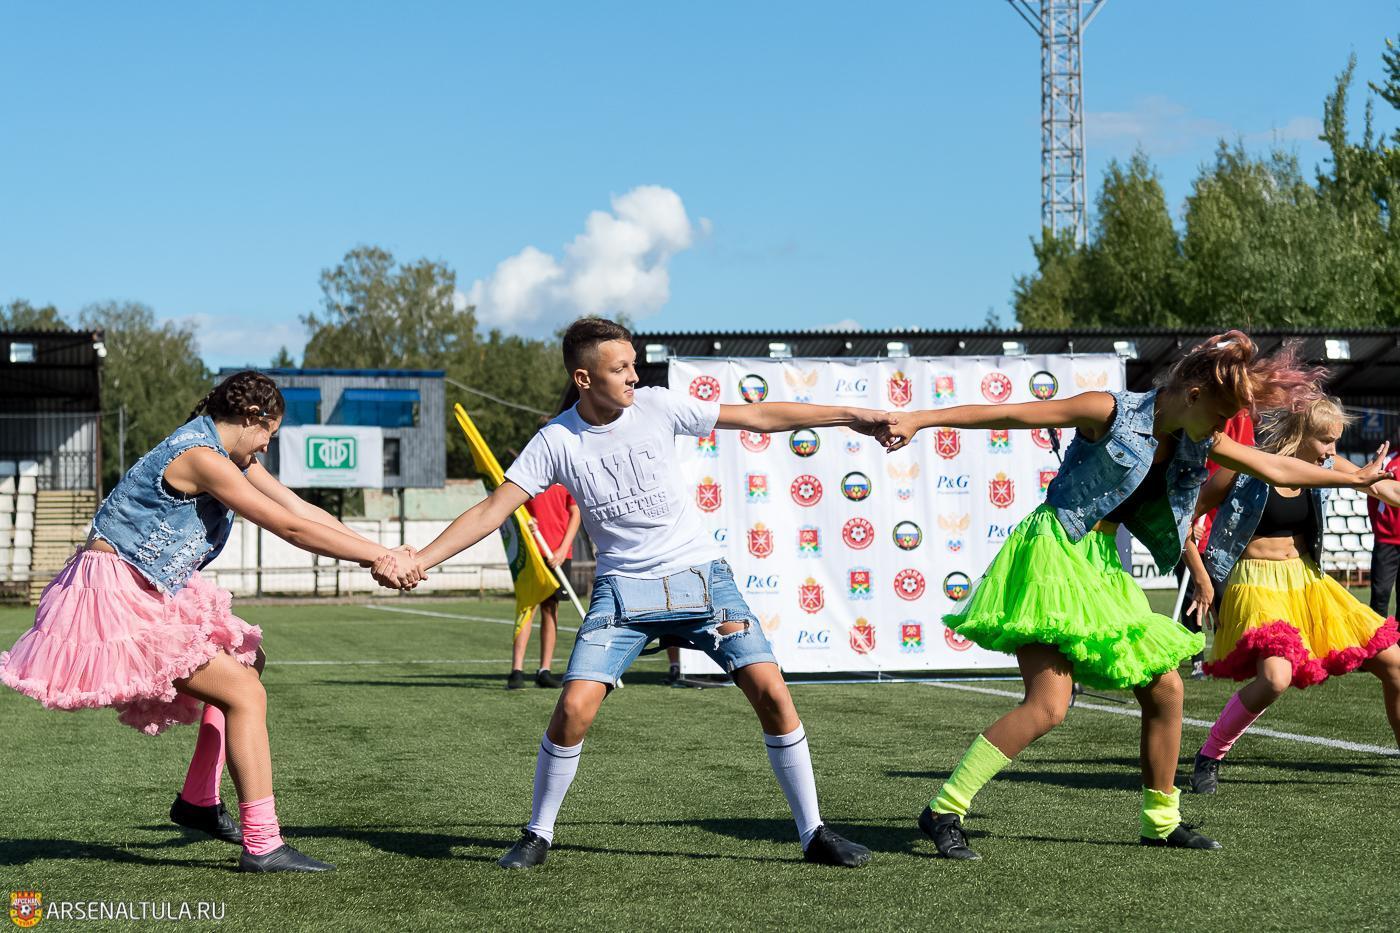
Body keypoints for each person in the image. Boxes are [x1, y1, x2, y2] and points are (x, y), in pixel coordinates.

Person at [379, 316, 890, 869]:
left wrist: (853, 416)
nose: (634, 377)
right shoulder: (555, 440)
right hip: (622, 593)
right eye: (620, 368)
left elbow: (759, 416)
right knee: (573, 707)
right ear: (583, 378)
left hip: (702, 578)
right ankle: (537, 835)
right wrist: (420, 559)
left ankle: (814, 833)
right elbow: (491, 510)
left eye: (634, 365)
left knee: (772, 693)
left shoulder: (659, 406)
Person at [880, 332, 1391, 859]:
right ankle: (945, 808)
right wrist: (919, 419)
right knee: (1048, 706)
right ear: (1194, 394)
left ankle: (1161, 822)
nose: (1223, 428)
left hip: (1102, 562)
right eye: (1220, 415)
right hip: (1053, 553)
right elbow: (1011, 414)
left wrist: (1356, 481)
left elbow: (1276, 466)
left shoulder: (1197, 438)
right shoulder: (1108, 410)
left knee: (1166, 689)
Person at [0, 371, 419, 873]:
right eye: (269, 433)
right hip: (118, 591)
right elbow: (289, 528)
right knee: (245, 694)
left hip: (148, 583)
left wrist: (386, 553)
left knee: (246, 659)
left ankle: (198, 801)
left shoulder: (230, 457)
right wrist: (377, 558)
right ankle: (263, 844)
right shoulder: (201, 458)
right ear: (251, 418)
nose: (266, 446)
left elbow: (301, 509)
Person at [1183, 396, 1400, 793]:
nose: (1332, 450)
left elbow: (1386, 489)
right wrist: (1201, 577)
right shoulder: (1245, 465)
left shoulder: (1326, 466)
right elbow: (1184, 517)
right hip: (1255, 584)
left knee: (1394, 663)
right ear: (1300, 434)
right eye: (1325, 440)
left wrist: (1380, 482)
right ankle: (1210, 755)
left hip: (1307, 581)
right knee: (1275, 678)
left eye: (1335, 440)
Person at [509, 483, 581, 689]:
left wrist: (563, 549)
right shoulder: (529, 476)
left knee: (551, 609)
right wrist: (525, 521)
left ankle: (544, 670)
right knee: (527, 606)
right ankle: (516, 670)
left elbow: (575, 513)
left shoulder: (567, 477)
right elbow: (513, 507)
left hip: (558, 554)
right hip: (532, 551)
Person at [1367, 442, 1400, 616]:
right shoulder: (1388, 459)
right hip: (1387, 540)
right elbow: (1373, 496)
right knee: (1380, 594)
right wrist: (1379, 528)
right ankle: (1379, 633)